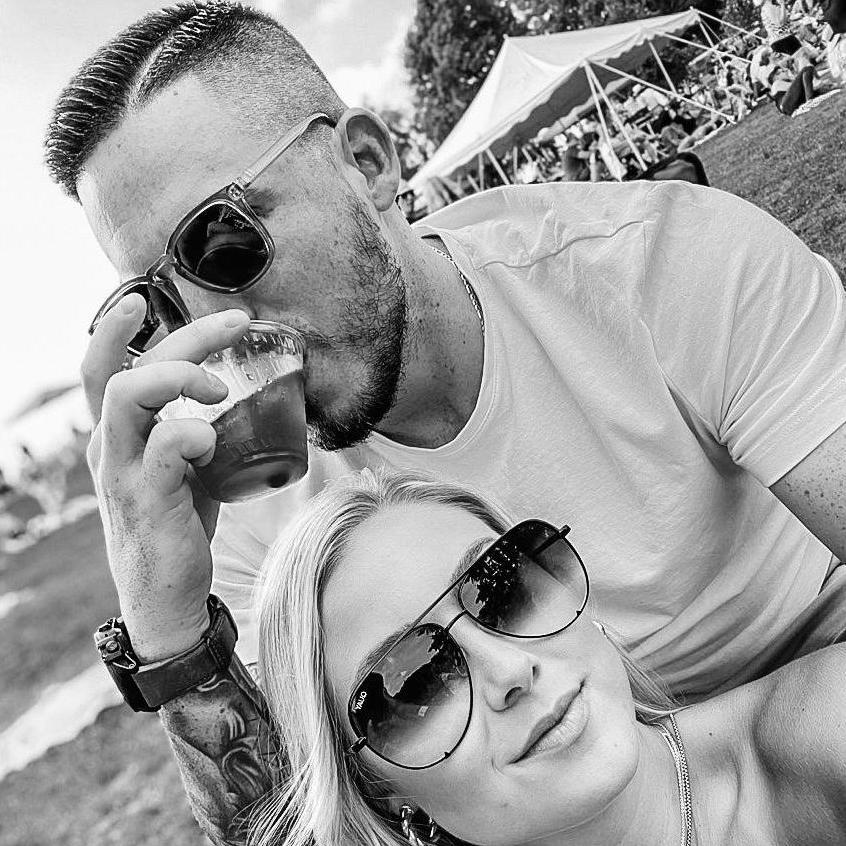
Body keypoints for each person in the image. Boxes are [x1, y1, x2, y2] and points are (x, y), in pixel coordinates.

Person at [43, 2, 846, 843]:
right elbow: (303, 823)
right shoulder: (262, 518)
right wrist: (167, 629)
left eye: (220, 244)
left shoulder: (660, 269)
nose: (218, 328)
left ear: (367, 163)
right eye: (162, 303)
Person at [252, 469, 846, 846]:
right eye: (413, 683)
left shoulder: (827, 731)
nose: (511, 671)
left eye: (505, 590)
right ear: (379, 790)